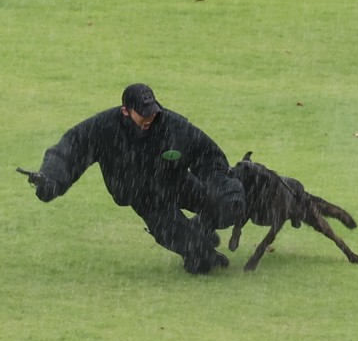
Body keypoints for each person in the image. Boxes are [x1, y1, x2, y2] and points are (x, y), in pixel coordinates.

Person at [20, 84, 245, 274]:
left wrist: (227, 189)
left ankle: (201, 226)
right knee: (200, 260)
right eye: (143, 113)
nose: (149, 117)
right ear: (126, 111)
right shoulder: (103, 128)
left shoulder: (173, 126)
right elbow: (70, 149)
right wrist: (51, 179)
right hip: (144, 197)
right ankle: (200, 248)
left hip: (176, 182)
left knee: (227, 208)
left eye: (152, 111)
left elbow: (209, 157)